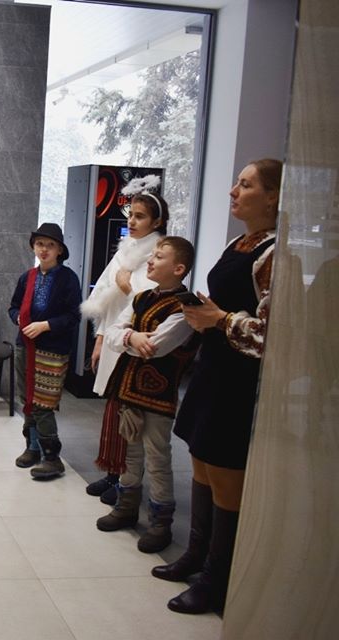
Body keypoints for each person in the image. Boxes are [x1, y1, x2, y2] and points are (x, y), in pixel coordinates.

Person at [154, 159, 282, 615]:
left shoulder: (274, 253)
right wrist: (204, 315)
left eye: (245, 185)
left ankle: (217, 579)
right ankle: (195, 554)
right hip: (212, 368)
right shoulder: (238, 243)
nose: (233, 191)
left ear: (272, 196)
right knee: (202, 463)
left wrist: (220, 319)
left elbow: (272, 333)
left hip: (239, 381)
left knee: (227, 477)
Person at [95, 236, 198, 553]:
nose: (150, 260)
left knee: (157, 457)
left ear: (178, 268)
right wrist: (132, 337)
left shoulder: (185, 307)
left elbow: (157, 346)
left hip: (158, 395)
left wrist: (131, 338)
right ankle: (126, 507)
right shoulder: (141, 298)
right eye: (152, 255)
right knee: (131, 452)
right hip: (130, 390)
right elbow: (114, 333)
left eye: (159, 256)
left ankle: (160, 522)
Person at [79, 181, 169, 503]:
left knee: (130, 413)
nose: (131, 221)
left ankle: (127, 481)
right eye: (131, 214)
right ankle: (113, 472)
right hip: (115, 334)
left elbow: (152, 300)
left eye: (140, 216)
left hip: (135, 341)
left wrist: (127, 285)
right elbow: (106, 295)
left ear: (156, 222)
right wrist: (100, 339)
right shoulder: (126, 249)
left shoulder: (158, 252)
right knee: (113, 408)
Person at [8, 223, 81, 479]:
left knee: (43, 403)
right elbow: (13, 306)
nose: (44, 249)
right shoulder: (27, 277)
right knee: (27, 400)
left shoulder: (68, 279)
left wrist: (45, 325)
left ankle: (52, 457)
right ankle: (32, 447)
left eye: (50, 245)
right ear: (33, 247)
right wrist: (18, 317)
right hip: (25, 344)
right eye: (40, 244)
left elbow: (74, 315)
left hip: (53, 348)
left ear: (60, 250)